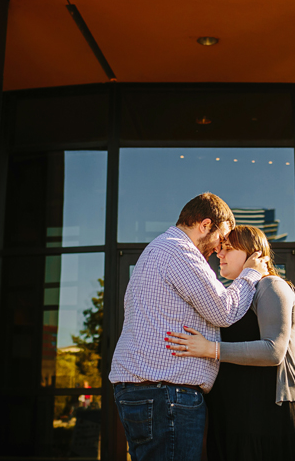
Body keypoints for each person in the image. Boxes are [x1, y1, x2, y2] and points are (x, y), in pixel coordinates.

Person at [109, 193, 268, 461]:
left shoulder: (158, 249)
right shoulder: (180, 252)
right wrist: (251, 273)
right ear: (205, 225)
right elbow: (224, 310)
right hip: (166, 395)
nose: (219, 249)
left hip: (149, 391)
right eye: (222, 237)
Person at [166, 226, 295, 461]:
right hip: (232, 412)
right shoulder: (236, 295)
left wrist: (210, 349)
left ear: (255, 254)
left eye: (228, 248)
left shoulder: (271, 285)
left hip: (262, 412)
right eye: (219, 249)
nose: (219, 254)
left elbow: (274, 351)